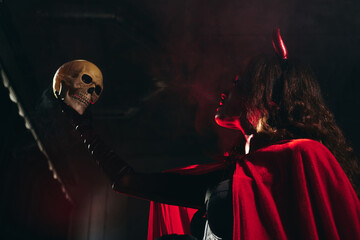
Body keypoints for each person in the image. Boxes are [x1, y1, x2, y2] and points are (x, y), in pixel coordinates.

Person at [41, 29, 360, 239]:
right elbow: (126, 181)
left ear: (267, 97)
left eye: (238, 83)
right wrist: (80, 124)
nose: (226, 90)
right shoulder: (229, 176)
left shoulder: (303, 155)